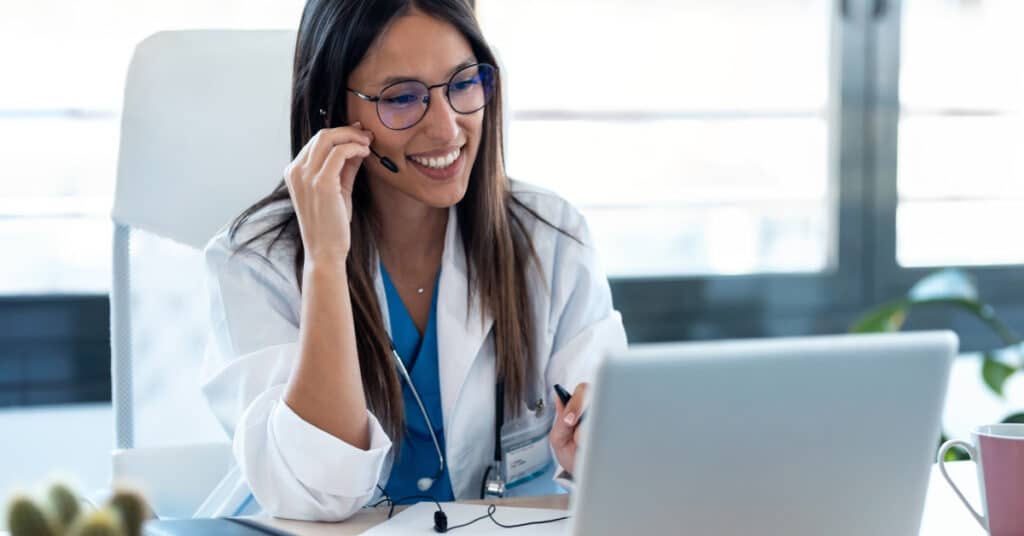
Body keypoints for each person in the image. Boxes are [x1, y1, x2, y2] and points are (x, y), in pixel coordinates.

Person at [200, 0, 627, 522]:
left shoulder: (551, 238)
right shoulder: (255, 262)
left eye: (464, 83)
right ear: (333, 111)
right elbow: (319, 493)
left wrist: (597, 451)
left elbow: (621, 449)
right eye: (402, 98)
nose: (447, 129)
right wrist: (327, 261)